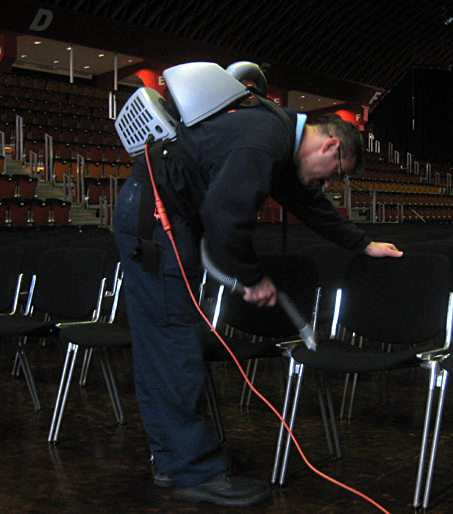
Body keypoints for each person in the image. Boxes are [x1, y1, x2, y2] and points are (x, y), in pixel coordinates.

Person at [112, 90, 402, 507]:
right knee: (173, 342)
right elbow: (224, 217)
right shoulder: (265, 138)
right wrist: (252, 278)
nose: (329, 183)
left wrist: (362, 244)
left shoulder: (280, 138)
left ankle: (173, 458)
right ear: (330, 145)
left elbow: (309, 203)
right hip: (156, 219)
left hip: (157, 214)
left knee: (164, 342)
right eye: (335, 172)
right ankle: (192, 471)